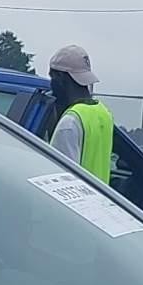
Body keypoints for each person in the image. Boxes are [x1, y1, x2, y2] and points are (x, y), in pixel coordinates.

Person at [45, 44, 115, 187]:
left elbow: (62, 182)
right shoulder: (104, 114)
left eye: (52, 78)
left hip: (76, 206)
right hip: (100, 202)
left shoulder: (70, 123)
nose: (51, 85)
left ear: (61, 78)